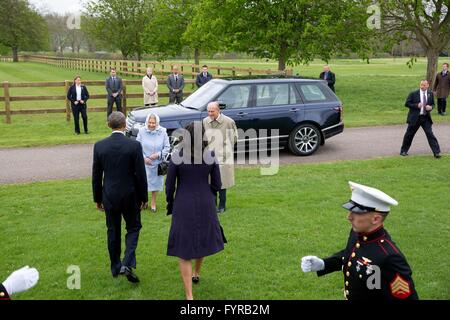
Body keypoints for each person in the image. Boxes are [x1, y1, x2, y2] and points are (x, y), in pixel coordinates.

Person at [301, 181, 418, 300]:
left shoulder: (390, 257)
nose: (349, 217)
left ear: (376, 219)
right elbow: (351, 255)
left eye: (356, 213)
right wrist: (324, 264)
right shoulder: (357, 233)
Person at [165, 122, 225, 300]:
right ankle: (196, 272)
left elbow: (169, 186)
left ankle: (189, 296)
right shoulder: (210, 155)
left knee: (184, 250)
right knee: (202, 238)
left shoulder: (177, 156)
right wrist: (209, 193)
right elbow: (217, 184)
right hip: (206, 201)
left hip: (183, 202)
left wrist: (170, 202)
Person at [92, 111, 148, 283]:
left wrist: (98, 198)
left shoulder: (99, 146)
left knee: (113, 230)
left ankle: (116, 266)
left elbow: (96, 175)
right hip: (130, 195)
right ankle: (128, 262)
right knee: (133, 227)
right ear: (125, 125)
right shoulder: (134, 146)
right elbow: (140, 174)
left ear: (109, 125)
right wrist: (144, 197)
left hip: (109, 195)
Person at [203, 101, 238, 214]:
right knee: (210, 181)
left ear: (218, 111)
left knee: (222, 182)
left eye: (212, 111)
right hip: (209, 156)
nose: (210, 113)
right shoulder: (205, 121)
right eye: (208, 111)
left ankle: (222, 205)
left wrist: (225, 149)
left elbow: (234, 138)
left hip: (223, 156)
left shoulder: (228, 122)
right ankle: (213, 204)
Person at [136, 113, 170, 212]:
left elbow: (167, 147)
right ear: (147, 122)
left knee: (155, 184)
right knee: (143, 182)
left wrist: (158, 154)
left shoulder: (163, 131)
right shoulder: (142, 131)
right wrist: (144, 158)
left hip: (157, 163)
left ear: (157, 123)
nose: (151, 125)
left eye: (153, 123)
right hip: (144, 163)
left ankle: (153, 202)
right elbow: (137, 147)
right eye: (150, 122)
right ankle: (144, 201)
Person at [400, 80, 441, 158]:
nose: (422, 86)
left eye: (424, 85)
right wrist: (416, 105)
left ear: (428, 85)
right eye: (421, 85)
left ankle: (436, 152)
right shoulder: (413, 93)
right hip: (415, 118)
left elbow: (433, 104)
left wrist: (431, 107)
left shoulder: (430, 93)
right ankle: (403, 151)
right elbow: (407, 103)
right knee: (409, 134)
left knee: (430, 134)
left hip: (425, 118)